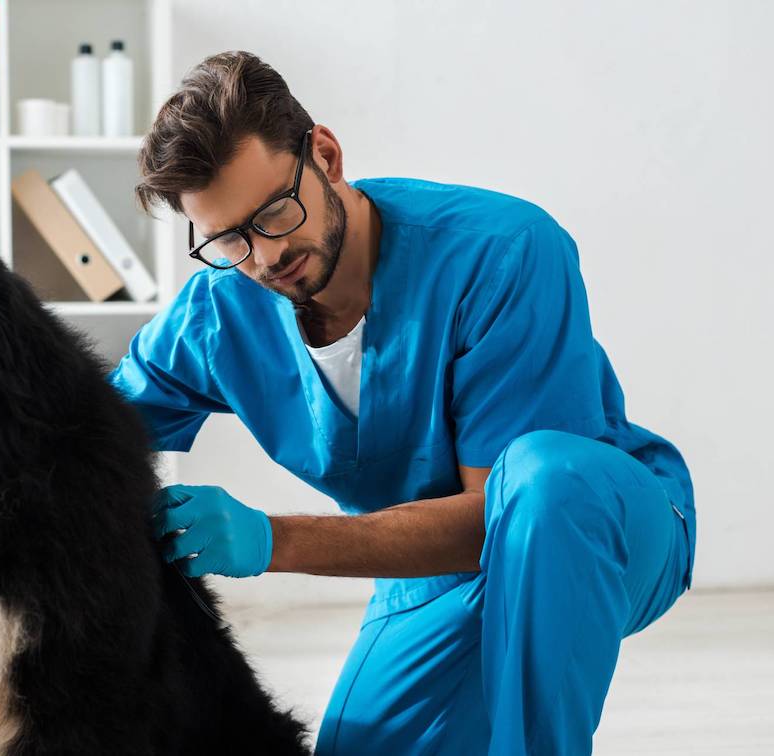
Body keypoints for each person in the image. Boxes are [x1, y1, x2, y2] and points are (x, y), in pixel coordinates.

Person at [108, 50, 695, 755]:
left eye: (272, 214)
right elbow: (84, 432)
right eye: (229, 238)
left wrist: (271, 540)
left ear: (324, 154)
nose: (263, 257)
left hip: (599, 534)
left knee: (544, 481)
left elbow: (497, 521)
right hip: (429, 580)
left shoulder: (501, 250)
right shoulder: (219, 308)